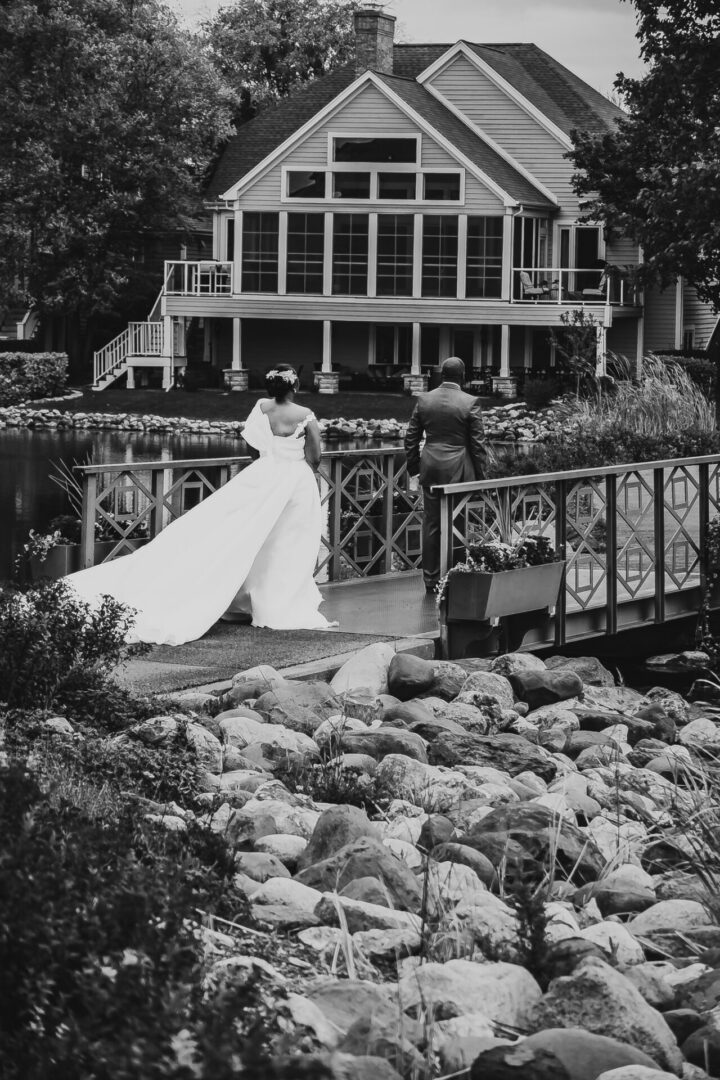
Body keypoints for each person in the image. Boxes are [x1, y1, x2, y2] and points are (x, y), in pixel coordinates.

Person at [65, 365, 336, 644]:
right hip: (296, 482)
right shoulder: (305, 416)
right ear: (295, 387)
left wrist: (269, 458)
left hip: (262, 476)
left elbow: (252, 444)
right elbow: (314, 456)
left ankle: (247, 598)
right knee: (289, 541)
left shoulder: (262, 408)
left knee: (250, 536)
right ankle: (277, 603)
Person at [404, 357, 487, 593]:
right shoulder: (470, 402)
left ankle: (430, 579)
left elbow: (410, 438)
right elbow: (478, 445)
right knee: (458, 523)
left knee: (431, 524)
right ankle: (454, 576)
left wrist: (415, 468)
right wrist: (481, 477)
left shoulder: (424, 399)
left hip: (431, 467)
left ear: (442, 375)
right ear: (462, 376)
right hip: (459, 469)